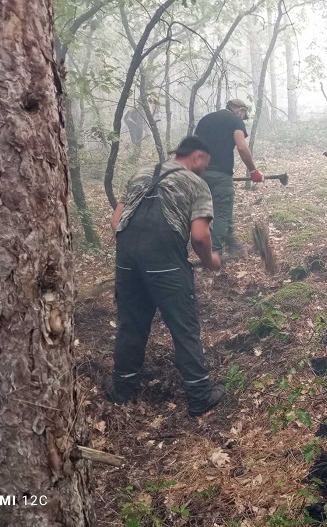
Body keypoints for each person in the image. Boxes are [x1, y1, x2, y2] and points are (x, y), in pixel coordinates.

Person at [108, 136, 226, 417]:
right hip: (166, 263)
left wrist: (137, 253)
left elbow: (116, 221)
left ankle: (121, 390)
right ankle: (199, 396)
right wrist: (210, 261)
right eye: (205, 164)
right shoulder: (196, 184)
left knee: (131, 323)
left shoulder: (141, 173)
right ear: (198, 156)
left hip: (127, 259)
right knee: (183, 326)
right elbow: (199, 236)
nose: (205, 170)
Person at [193, 99, 264, 254]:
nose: (242, 118)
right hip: (221, 173)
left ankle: (231, 243)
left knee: (211, 209)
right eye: (243, 114)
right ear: (239, 109)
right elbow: (242, 147)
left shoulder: (205, 119)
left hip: (199, 173)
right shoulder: (235, 121)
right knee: (221, 212)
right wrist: (253, 171)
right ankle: (215, 252)